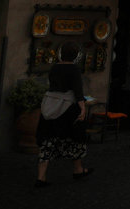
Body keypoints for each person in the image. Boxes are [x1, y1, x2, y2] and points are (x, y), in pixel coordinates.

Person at [35, 42, 91, 187]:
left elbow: (52, 84)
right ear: (75, 56)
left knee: (48, 140)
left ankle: (41, 177)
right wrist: (83, 107)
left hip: (51, 104)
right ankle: (78, 169)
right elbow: (77, 90)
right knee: (75, 138)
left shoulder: (54, 67)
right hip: (67, 108)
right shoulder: (74, 69)